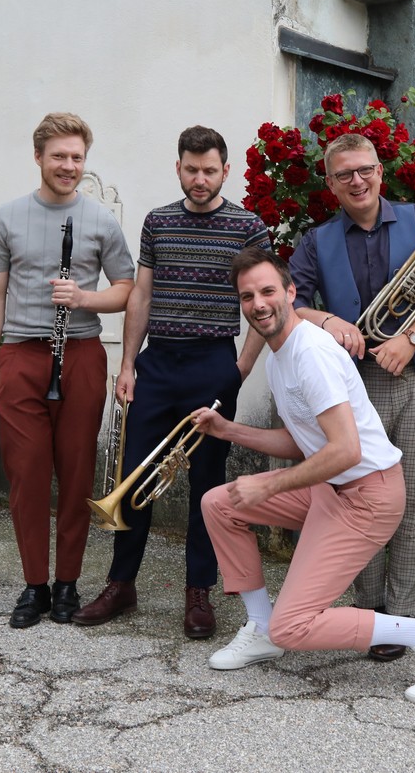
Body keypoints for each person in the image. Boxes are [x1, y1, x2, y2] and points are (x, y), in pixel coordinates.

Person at [194, 248, 415, 704]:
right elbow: (302, 441)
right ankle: (261, 627)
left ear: (291, 293)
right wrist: (227, 430)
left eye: (267, 291)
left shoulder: (311, 352)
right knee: (219, 503)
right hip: (332, 491)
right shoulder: (279, 355)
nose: (258, 304)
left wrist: (268, 483)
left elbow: (346, 450)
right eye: (247, 297)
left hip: (369, 498)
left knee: (293, 626)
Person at [72, 125, 269, 639]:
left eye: (210, 170)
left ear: (226, 171)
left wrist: (241, 369)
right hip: (157, 363)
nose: (200, 179)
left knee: (207, 483)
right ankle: (121, 584)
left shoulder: (248, 226)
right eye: (191, 169)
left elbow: (263, 300)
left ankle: (198, 592)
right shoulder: (158, 221)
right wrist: (128, 365)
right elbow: (141, 294)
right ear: (178, 168)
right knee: (135, 476)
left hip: (213, 363)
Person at [286, 132, 415, 662]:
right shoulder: (316, 241)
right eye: (344, 174)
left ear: (380, 171)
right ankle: (370, 612)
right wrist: (328, 321)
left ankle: (404, 615)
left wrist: (410, 339)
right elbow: (290, 301)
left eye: (365, 169)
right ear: (330, 183)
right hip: (355, 383)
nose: (357, 180)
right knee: (359, 497)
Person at [0, 112, 136, 629]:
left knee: (76, 472)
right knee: (26, 475)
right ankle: (34, 585)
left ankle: (67, 582)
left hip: (82, 353)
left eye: (77, 157)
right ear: (38, 157)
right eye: (59, 156)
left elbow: (126, 289)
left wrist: (84, 297)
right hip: (21, 355)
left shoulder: (100, 221)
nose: (69, 166)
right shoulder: (6, 218)